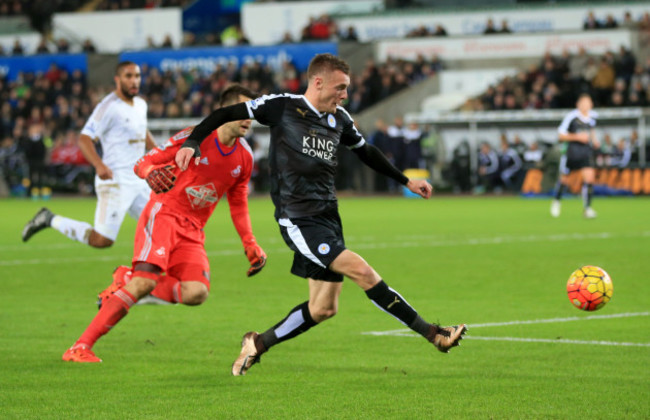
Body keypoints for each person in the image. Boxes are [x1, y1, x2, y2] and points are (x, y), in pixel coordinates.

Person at [175, 53, 467, 376]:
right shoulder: (282, 106)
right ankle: (433, 334)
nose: (345, 95)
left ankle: (256, 344)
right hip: (298, 219)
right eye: (340, 88)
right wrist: (193, 141)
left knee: (324, 308)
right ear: (318, 82)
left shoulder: (339, 119)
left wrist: (407, 180)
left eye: (347, 89)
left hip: (328, 218)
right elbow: (225, 113)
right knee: (363, 272)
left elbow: (366, 152)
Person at [62, 84, 266, 363]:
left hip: (193, 229)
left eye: (251, 113)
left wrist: (250, 243)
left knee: (197, 292)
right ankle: (80, 346)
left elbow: (239, 202)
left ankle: (124, 278)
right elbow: (144, 162)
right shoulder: (195, 137)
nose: (248, 119)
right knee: (144, 283)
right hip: (164, 214)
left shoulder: (244, 158)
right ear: (223, 111)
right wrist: (150, 173)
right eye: (243, 111)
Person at [22, 61, 156, 248]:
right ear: (117, 80)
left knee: (161, 223)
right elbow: (84, 138)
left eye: (137, 76)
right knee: (101, 240)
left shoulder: (141, 104)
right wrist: (99, 165)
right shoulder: (108, 107)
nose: (134, 81)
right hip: (115, 181)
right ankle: (49, 219)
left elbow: (142, 130)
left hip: (139, 180)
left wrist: (157, 152)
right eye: (129, 76)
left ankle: (152, 273)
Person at [551, 93, 600, 218]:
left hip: (586, 153)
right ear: (578, 104)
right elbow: (560, 136)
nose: (586, 105)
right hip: (571, 153)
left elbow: (591, 133)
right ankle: (556, 201)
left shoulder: (593, 118)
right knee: (564, 181)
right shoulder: (571, 117)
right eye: (584, 103)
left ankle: (587, 209)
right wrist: (577, 137)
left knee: (589, 179)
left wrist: (595, 141)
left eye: (588, 103)